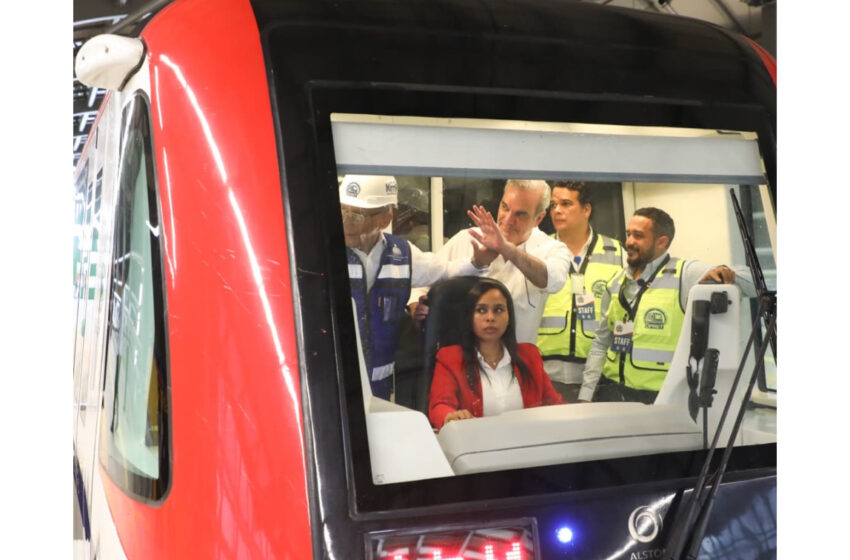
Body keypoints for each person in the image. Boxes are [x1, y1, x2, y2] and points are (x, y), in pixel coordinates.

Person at [578, 207, 755, 404]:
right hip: (612, 394)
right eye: (628, 234)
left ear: (661, 242)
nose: (629, 242)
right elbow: (601, 342)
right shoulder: (616, 282)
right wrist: (586, 395)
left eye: (638, 236)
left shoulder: (685, 274)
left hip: (659, 398)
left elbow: (755, 282)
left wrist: (725, 271)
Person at [340, 174, 485, 400]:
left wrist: (479, 262)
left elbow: (444, 270)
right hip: (334, 379)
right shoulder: (321, 252)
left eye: (357, 215)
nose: (346, 221)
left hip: (381, 385)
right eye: (342, 211)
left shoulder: (402, 254)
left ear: (385, 217)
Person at [411, 179, 570, 344]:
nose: (508, 220)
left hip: (515, 363)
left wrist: (506, 249)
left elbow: (553, 280)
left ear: (539, 218)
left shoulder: (552, 249)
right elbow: (421, 285)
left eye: (520, 214)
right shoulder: (467, 238)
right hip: (461, 362)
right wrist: (417, 310)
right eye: (505, 207)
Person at [428, 278, 564, 429]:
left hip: (526, 446)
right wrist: (450, 417)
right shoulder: (450, 358)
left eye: (498, 310)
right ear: (469, 317)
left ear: (509, 317)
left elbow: (555, 404)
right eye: (481, 310)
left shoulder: (529, 355)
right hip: (475, 446)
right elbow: (440, 406)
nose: (490, 317)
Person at [536, 181, 624, 403]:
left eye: (566, 204)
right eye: (553, 204)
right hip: (546, 373)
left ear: (586, 209)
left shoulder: (617, 253)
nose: (557, 210)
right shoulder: (539, 252)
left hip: (599, 376)